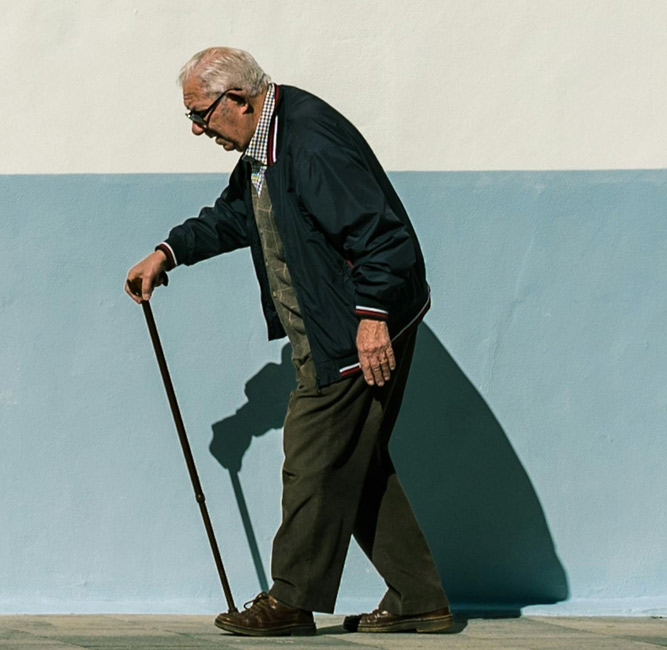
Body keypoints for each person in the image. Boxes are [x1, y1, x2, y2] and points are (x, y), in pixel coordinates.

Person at [123, 47, 451, 636]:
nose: (198, 129)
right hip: (334, 330)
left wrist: (372, 320)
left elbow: (385, 237)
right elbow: (237, 215)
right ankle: (418, 597)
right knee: (354, 463)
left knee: (311, 459)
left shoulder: (309, 142)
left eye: (201, 114)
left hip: (355, 335)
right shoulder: (263, 145)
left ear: (239, 101)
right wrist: (168, 252)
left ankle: (290, 602)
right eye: (190, 117)